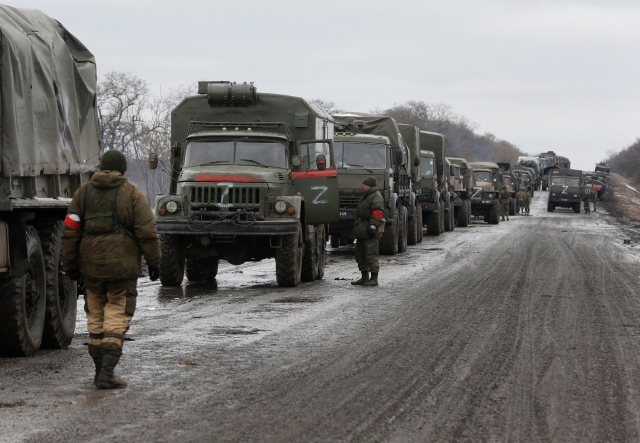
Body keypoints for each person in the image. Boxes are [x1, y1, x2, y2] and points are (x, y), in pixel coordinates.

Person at [62, 150, 161, 389]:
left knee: (95, 316)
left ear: (100, 169)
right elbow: (147, 232)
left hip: (91, 268)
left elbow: (70, 231)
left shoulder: (82, 194)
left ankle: (99, 371)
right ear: (123, 171)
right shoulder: (132, 194)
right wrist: (155, 262)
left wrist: (70, 264)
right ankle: (106, 371)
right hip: (122, 268)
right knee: (117, 314)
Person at [351, 177, 385, 287]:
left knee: (371, 254)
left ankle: (374, 278)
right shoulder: (366, 196)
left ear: (369, 186)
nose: (362, 185)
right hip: (362, 230)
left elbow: (377, 212)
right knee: (360, 255)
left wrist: (372, 227)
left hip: (369, 229)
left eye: (364, 184)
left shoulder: (376, 197)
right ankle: (364, 277)